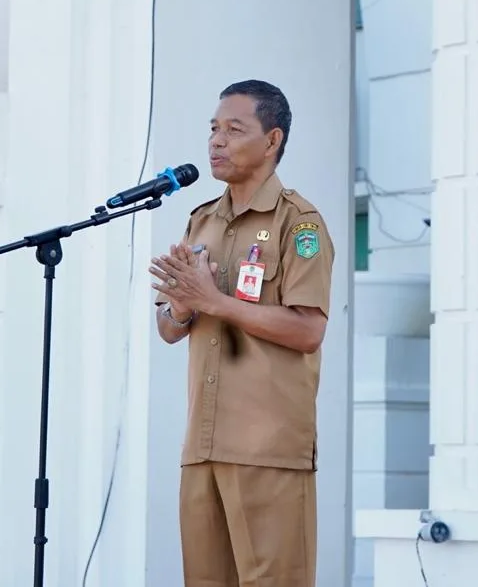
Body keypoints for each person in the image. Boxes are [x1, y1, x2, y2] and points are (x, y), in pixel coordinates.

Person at [149, 79, 334, 587]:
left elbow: (309, 330)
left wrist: (216, 302)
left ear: (272, 140)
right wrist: (183, 307)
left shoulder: (299, 223)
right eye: (213, 129)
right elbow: (168, 328)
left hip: (267, 448)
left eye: (234, 129)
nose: (216, 141)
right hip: (203, 446)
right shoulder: (201, 221)